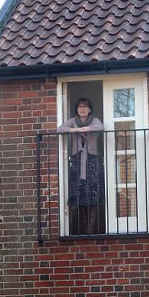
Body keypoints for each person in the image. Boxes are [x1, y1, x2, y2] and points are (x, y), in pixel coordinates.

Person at [57, 97, 105, 235]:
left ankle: (92, 228)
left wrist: (85, 128)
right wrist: (75, 130)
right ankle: (85, 230)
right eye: (80, 107)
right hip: (77, 162)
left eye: (85, 106)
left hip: (92, 162)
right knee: (81, 197)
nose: (82, 109)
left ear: (89, 109)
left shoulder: (94, 120)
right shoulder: (73, 121)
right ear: (77, 110)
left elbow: (100, 127)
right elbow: (60, 129)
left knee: (93, 197)